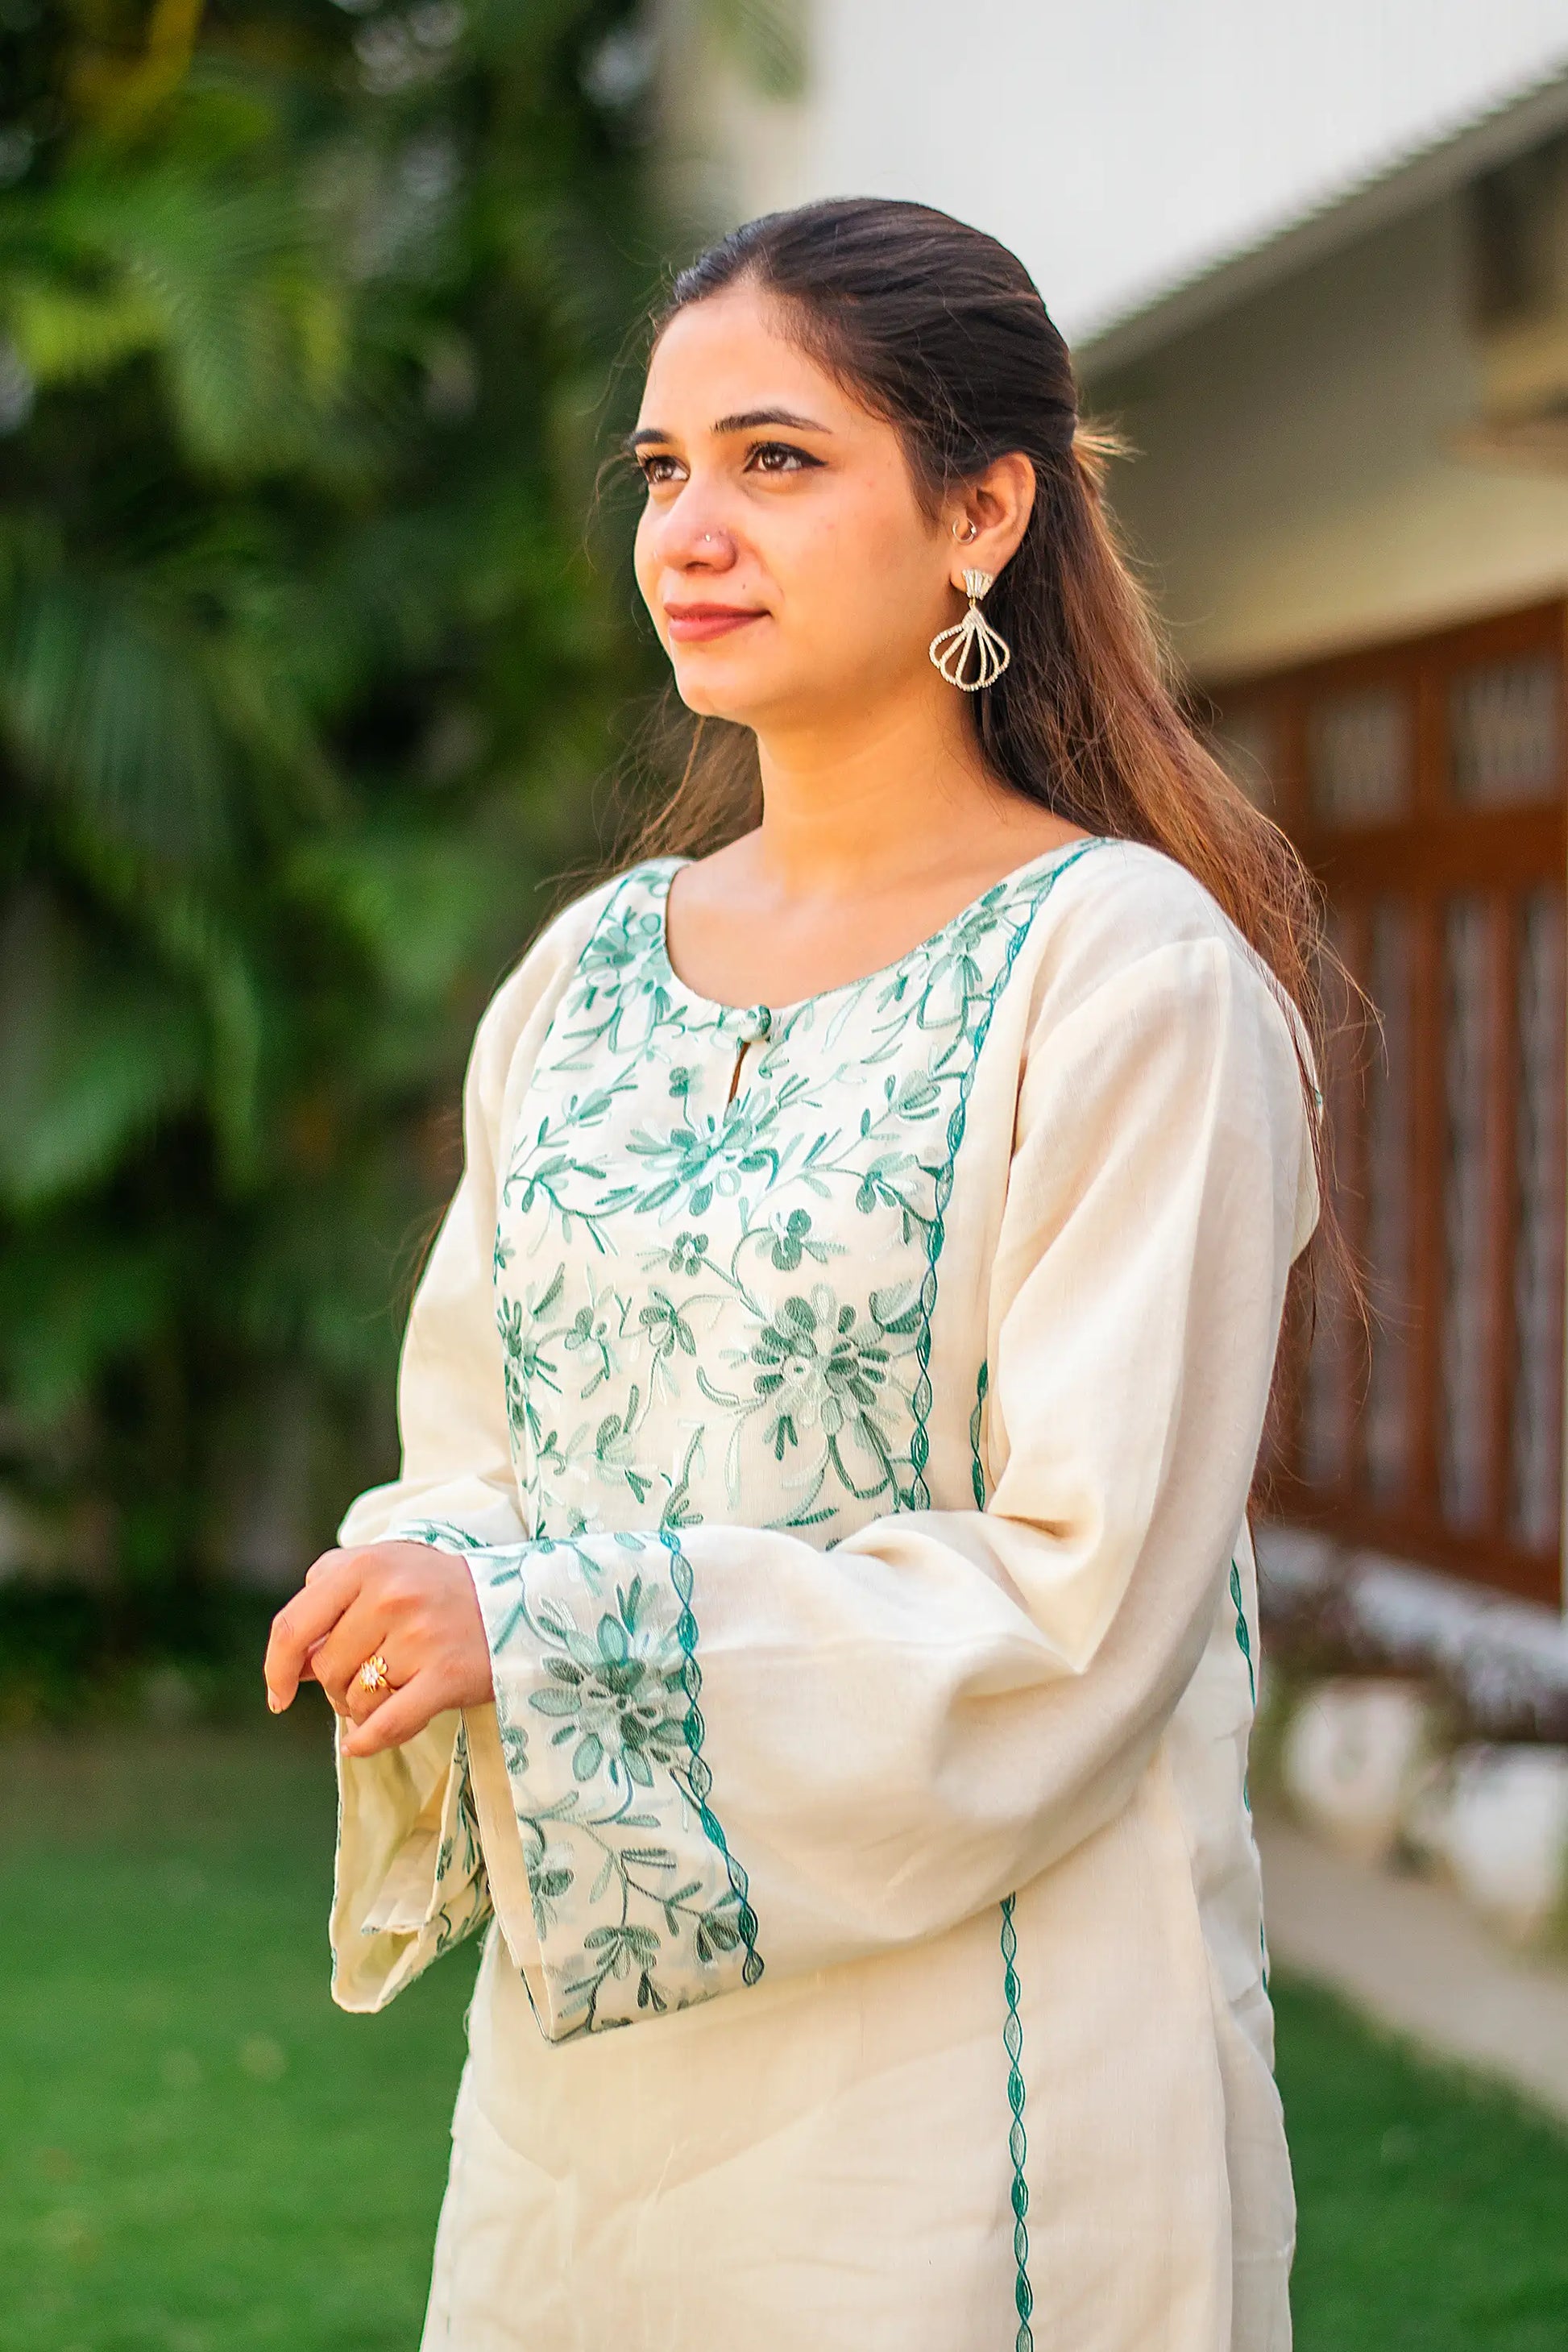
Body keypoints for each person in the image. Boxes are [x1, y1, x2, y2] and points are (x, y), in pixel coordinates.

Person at [264, 195, 1330, 2352]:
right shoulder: (580, 980)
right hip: (600, 2095)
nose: (689, 531)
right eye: (661, 471)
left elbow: (1079, 1598)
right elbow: (478, 1438)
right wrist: (425, 1578)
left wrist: (540, 1626)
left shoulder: (1121, 979)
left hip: (984, 2094)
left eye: (776, 460)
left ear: (981, 513)